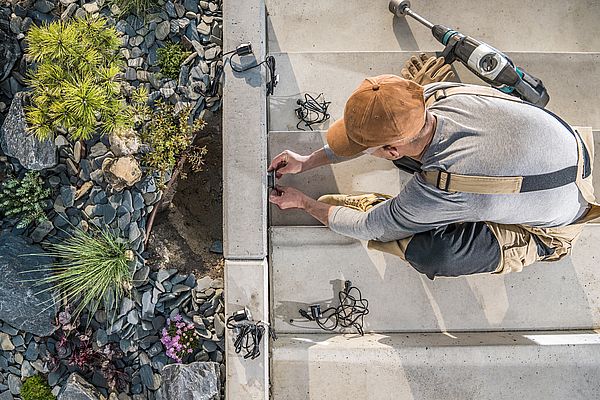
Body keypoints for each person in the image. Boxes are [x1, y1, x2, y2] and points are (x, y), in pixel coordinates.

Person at [268, 55, 599, 279]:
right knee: (421, 75)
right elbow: (382, 134)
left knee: (432, 253)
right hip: (571, 148)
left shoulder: (442, 186)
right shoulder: (439, 95)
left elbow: (370, 227)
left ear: (392, 149)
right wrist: (307, 161)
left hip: (555, 226)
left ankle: (394, 208)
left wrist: (303, 203)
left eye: (369, 149)